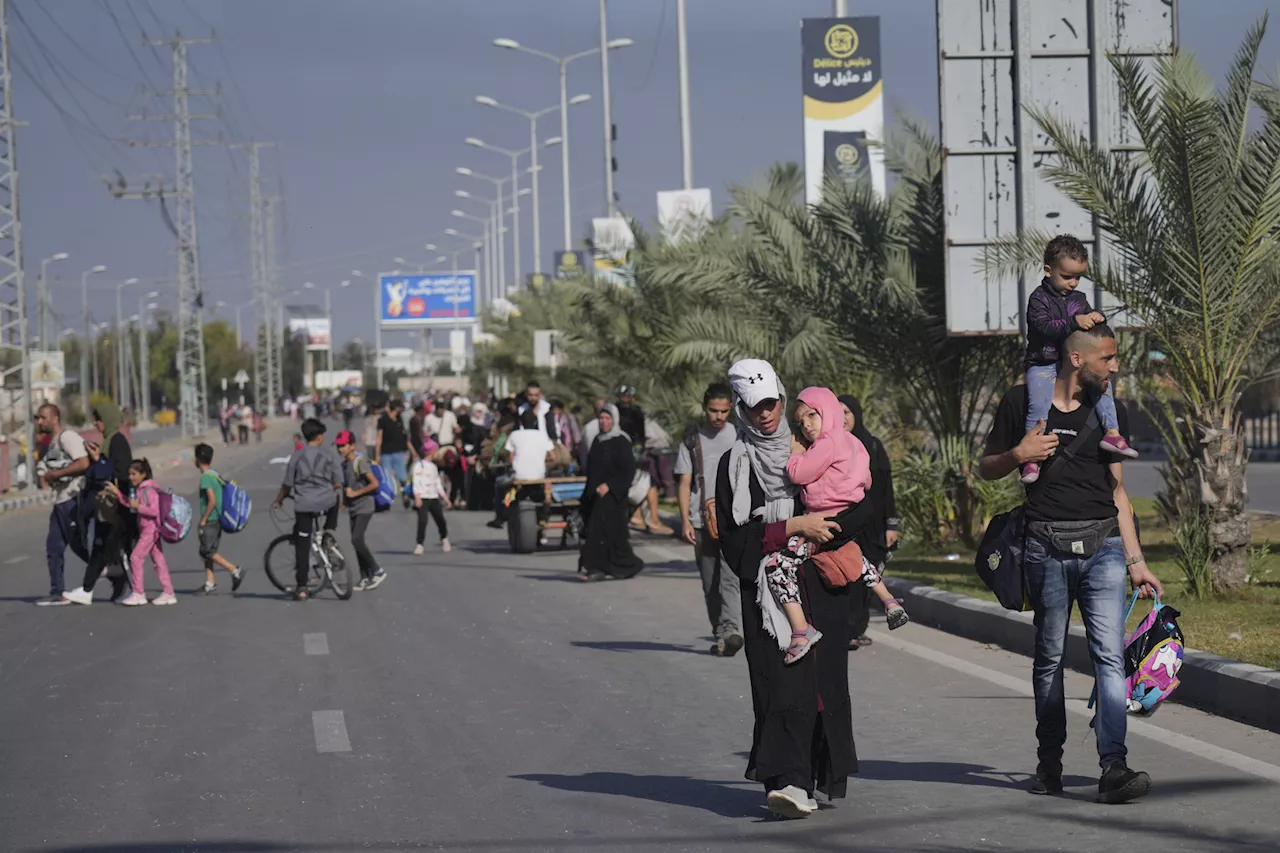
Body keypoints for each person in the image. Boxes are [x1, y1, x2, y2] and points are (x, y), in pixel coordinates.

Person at [979, 323, 1163, 804]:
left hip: (1103, 549)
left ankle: (1114, 767)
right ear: (1077, 360)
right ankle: (1049, 764)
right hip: (1045, 548)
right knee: (1050, 660)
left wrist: (1136, 559)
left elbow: (1118, 490)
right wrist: (1019, 453)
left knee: (1108, 657)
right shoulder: (1021, 403)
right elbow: (986, 465)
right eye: (1108, 358)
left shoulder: (1109, 410)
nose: (1115, 366)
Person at [714, 358, 864, 819]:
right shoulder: (734, 464)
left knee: (819, 687)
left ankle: (812, 777)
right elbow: (736, 540)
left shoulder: (813, 448)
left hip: (819, 587)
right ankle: (788, 782)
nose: (765, 414)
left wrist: (827, 531)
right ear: (741, 407)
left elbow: (851, 503)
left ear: (782, 396)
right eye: (755, 406)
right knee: (781, 685)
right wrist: (792, 525)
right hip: (767, 596)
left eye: (772, 403)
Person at [771, 387, 907, 664]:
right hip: (848, 514)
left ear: (827, 412)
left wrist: (796, 454)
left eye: (812, 415)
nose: (807, 425)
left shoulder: (826, 443)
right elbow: (867, 480)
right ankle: (888, 600)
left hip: (822, 520)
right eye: (801, 421)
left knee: (778, 566)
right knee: (854, 557)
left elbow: (799, 474)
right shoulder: (854, 442)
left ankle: (800, 630)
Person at [1021, 235, 1137, 484]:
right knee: (1038, 403)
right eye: (1067, 276)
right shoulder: (1038, 299)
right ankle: (1032, 456)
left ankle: (1112, 433)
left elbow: (1089, 329)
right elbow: (1043, 328)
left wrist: (1097, 317)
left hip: (1070, 362)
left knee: (1101, 385)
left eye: (1078, 277)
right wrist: (1074, 322)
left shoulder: (1079, 299)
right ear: (1049, 270)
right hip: (1043, 362)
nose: (1073, 283)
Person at [675, 383, 743, 657]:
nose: (719, 417)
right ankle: (722, 634)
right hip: (702, 520)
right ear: (705, 408)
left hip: (733, 520)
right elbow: (684, 482)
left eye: (724, 411)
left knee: (730, 578)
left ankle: (731, 631)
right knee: (709, 583)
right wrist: (685, 521)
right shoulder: (692, 440)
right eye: (714, 411)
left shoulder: (740, 436)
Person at [838, 395, 900, 650]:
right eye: (837, 412)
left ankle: (858, 628)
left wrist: (892, 524)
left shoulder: (873, 446)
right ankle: (846, 630)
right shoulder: (831, 446)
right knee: (849, 577)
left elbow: (886, 490)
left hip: (872, 527)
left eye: (847, 413)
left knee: (868, 578)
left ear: (857, 415)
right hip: (844, 525)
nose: (842, 418)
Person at [62, 404, 133, 605]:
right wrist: (98, 459)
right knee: (104, 547)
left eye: (98, 420)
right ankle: (89, 589)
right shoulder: (109, 441)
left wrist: (99, 464)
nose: (95, 423)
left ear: (108, 420)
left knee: (113, 549)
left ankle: (132, 589)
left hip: (116, 505)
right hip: (108, 505)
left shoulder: (117, 441)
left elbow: (119, 472)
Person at [274, 417, 343, 601]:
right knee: (335, 499)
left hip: (304, 505)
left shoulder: (296, 456)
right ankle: (329, 533)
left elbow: (287, 484)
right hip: (327, 502)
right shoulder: (329, 455)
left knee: (302, 546)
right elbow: (338, 482)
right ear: (320, 437)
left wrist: (278, 501)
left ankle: (302, 587)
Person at [579, 404, 645, 582]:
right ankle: (628, 564)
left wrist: (609, 486)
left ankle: (596, 569)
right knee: (609, 534)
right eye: (601, 418)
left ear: (614, 420)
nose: (604, 422)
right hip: (596, 495)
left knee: (600, 532)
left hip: (614, 496)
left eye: (608, 418)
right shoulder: (598, 440)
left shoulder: (621, 441)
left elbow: (627, 470)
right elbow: (591, 469)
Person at [34, 403, 91, 606]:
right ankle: (57, 591)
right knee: (53, 548)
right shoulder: (52, 442)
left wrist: (56, 474)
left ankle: (112, 569)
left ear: (54, 418)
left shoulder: (68, 437)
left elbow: (83, 463)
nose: (39, 422)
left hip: (73, 499)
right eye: (37, 418)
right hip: (60, 501)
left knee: (80, 546)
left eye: (43, 417)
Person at [120, 458, 176, 606]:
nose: (131, 477)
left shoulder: (149, 490)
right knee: (158, 559)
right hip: (148, 529)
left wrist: (138, 507)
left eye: (134, 474)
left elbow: (154, 511)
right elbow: (132, 505)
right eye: (129, 474)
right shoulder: (140, 490)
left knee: (135, 557)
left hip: (151, 530)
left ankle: (138, 593)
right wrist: (118, 495)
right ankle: (168, 591)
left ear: (143, 474)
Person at [335, 430, 387, 591]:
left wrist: (355, 494)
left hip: (365, 505)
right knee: (356, 541)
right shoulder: (344, 464)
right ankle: (365, 576)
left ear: (352, 445)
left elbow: (374, 484)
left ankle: (377, 570)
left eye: (343, 446)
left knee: (357, 539)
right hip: (354, 506)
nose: (340, 449)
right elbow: (347, 484)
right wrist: (345, 500)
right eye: (338, 446)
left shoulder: (360, 462)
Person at [487, 410, 555, 528]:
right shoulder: (542, 435)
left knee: (499, 483)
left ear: (521, 423)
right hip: (538, 476)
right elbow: (553, 456)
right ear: (535, 422)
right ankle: (543, 516)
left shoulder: (514, 435)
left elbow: (511, 458)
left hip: (518, 476)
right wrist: (540, 459)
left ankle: (500, 516)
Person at [193, 443, 245, 595]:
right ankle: (210, 582)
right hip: (217, 519)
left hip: (210, 519)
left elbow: (212, 500)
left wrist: (203, 519)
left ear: (196, 459)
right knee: (208, 550)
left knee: (207, 551)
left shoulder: (205, 478)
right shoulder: (214, 474)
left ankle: (234, 570)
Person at [411, 440, 452, 555]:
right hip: (423, 497)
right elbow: (416, 482)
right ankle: (420, 544)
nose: (438, 454)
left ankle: (444, 538)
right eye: (436, 451)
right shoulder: (419, 465)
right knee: (422, 521)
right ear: (431, 452)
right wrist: (417, 497)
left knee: (440, 520)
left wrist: (445, 498)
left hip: (433, 497)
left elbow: (437, 483)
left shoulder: (434, 467)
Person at [375, 397, 416, 505]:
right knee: (387, 478)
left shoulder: (400, 419)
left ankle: (405, 495)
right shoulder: (383, 420)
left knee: (403, 477)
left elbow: (404, 437)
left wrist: (413, 451)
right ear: (396, 408)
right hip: (386, 453)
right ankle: (386, 499)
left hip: (399, 452)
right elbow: (379, 438)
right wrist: (377, 454)